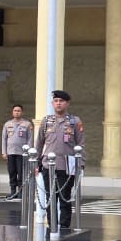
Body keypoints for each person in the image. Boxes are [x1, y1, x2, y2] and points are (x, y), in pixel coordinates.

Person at [36, 90, 85, 231]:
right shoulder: (46, 121)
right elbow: (39, 143)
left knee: (65, 198)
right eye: (56, 101)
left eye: (61, 101)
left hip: (66, 165)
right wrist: (36, 163)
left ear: (67, 103)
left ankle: (64, 226)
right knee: (50, 197)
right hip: (48, 165)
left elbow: (81, 144)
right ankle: (52, 225)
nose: (58, 103)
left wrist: (81, 164)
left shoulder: (74, 122)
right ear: (52, 103)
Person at [1, 104, 34, 200]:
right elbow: (4, 139)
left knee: (21, 172)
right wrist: (4, 152)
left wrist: (28, 152)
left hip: (22, 153)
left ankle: (20, 192)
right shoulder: (7, 124)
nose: (17, 112)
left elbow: (30, 139)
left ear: (22, 112)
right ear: (12, 112)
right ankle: (12, 192)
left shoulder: (27, 124)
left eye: (19, 111)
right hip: (10, 152)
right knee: (12, 172)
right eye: (15, 110)